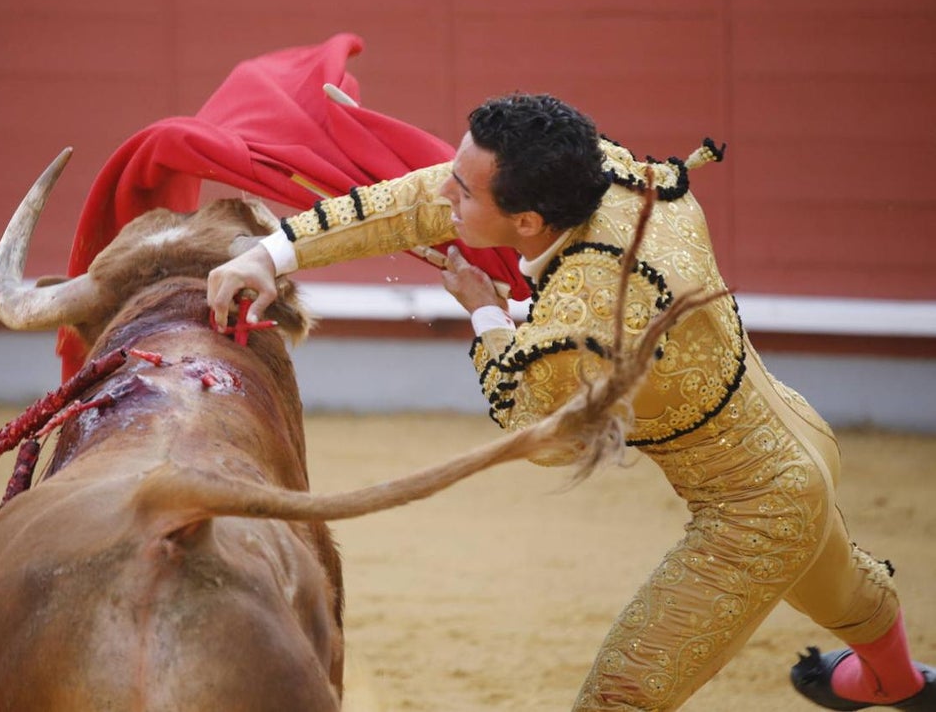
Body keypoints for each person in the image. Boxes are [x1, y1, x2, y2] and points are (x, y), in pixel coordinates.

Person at [207, 93, 935, 711]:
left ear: (528, 222)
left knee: (616, 698)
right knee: (842, 586)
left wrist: (486, 314)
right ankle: (901, 684)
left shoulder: (589, 307)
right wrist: (267, 255)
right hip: (795, 430)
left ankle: (894, 677)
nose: (442, 194)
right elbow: (413, 202)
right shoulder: (608, 175)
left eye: (463, 190)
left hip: (752, 513)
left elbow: (543, 431)